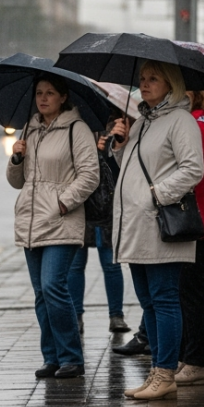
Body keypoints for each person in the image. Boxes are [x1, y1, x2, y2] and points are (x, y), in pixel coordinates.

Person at [109, 60, 204, 401]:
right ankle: (157, 371)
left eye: (153, 79)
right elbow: (134, 170)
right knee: (149, 302)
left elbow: (194, 168)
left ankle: (165, 373)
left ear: (171, 84)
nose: (145, 84)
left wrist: (157, 195)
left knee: (164, 300)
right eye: (142, 79)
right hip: (136, 228)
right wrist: (120, 147)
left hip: (160, 225)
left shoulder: (180, 120)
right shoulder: (143, 121)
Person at [8, 76, 100, 380]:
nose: (43, 98)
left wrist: (62, 203)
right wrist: (16, 157)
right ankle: (52, 357)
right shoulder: (30, 130)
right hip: (32, 222)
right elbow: (17, 182)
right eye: (38, 93)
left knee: (53, 286)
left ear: (63, 97)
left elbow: (90, 175)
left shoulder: (77, 129)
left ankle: (72, 356)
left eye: (50, 93)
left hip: (61, 220)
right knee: (40, 293)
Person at [174, 90, 204, 387]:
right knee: (185, 291)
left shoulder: (199, 125)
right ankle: (186, 356)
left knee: (192, 293)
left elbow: (198, 174)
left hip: (195, 218)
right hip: (192, 216)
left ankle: (196, 361)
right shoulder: (192, 121)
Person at [67, 116, 130, 336]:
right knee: (75, 266)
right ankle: (76, 316)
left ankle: (116, 315)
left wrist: (108, 149)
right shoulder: (73, 130)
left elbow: (119, 168)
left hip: (107, 208)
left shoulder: (115, 126)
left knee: (111, 264)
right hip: (80, 207)